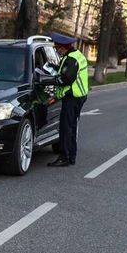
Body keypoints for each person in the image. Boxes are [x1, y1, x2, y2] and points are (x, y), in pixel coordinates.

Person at [48, 32, 89, 167]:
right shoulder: (77, 55)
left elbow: (66, 79)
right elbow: (66, 71)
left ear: (62, 47)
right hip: (79, 96)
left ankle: (64, 157)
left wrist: (48, 79)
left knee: (66, 127)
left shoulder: (71, 59)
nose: (56, 50)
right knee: (71, 126)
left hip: (72, 97)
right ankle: (71, 156)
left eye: (57, 48)